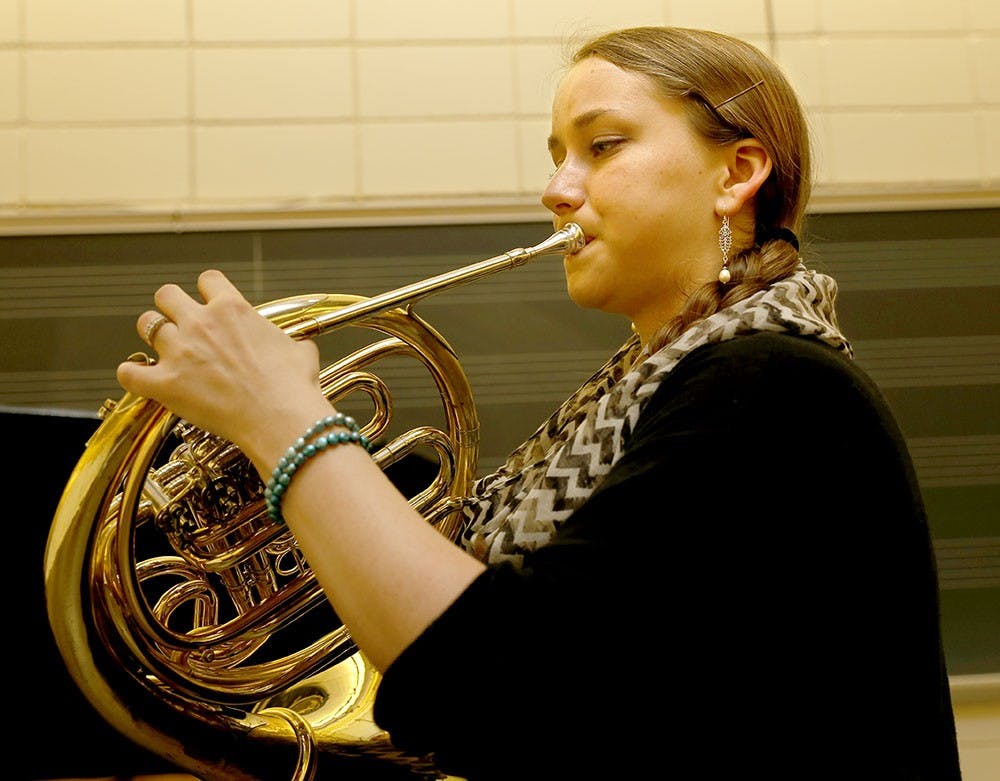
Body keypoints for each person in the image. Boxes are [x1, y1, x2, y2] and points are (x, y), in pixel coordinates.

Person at [117, 26, 962, 781]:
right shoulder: (641, 393)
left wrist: (283, 422)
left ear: (736, 172)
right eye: (556, 154)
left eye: (603, 146)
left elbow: (493, 687)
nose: (558, 189)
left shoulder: (774, 387)